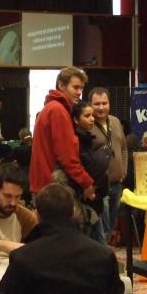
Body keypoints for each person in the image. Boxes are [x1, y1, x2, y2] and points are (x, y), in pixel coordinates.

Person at [30, 66, 95, 202]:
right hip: (51, 189)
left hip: (44, 185)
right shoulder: (58, 110)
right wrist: (86, 182)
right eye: (75, 87)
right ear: (61, 85)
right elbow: (67, 155)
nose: (79, 92)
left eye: (81, 88)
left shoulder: (52, 107)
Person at [54, 100, 109, 239]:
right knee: (92, 241)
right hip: (82, 199)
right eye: (87, 116)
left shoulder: (88, 138)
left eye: (92, 115)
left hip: (93, 197)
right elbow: (77, 168)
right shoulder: (74, 141)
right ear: (76, 120)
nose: (92, 119)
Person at [89, 87, 128, 243]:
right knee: (101, 226)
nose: (101, 107)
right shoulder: (87, 124)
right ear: (90, 104)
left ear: (109, 104)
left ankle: (103, 251)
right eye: (97, 104)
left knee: (111, 223)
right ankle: (102, 252)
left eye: (104, 103)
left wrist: (123, 171)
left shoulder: (116, 121)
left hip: (117, 183)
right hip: (99, 185)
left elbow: (123, 148)